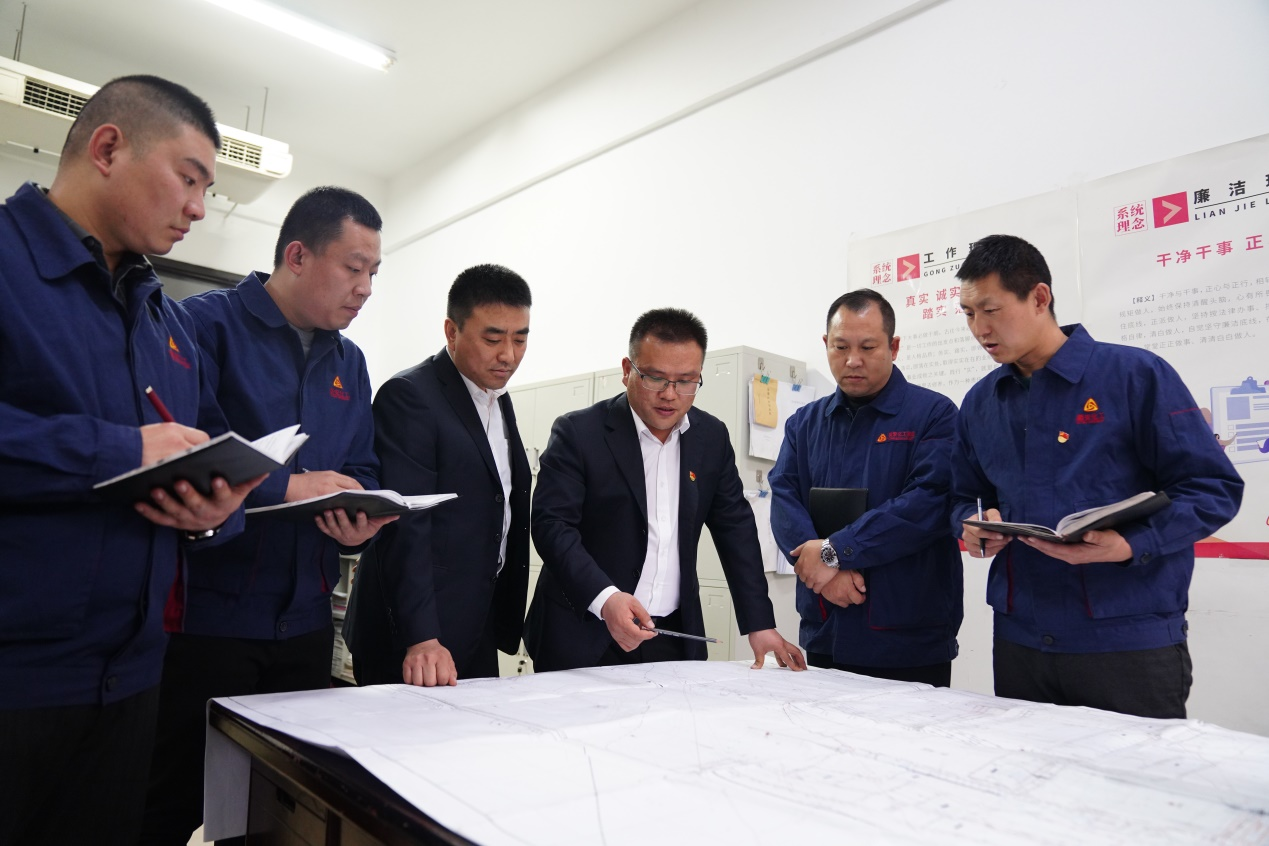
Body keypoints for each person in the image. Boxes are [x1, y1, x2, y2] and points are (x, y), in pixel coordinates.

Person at [0, 75, 261, 845]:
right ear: (109, 148)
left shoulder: (167, 326)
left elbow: (215, 458)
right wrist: (116, 451)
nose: (199, 208)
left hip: (134, 684)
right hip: (17, 686)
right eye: (189, 178)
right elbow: (131, 451)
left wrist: (217, 513)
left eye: (208, 190)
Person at [138, 187, 393, 843]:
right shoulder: (200, 325)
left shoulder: (350, 362)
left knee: (281, 811)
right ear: (298, 256)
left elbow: (361, 466)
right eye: (353, 268)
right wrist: (289, 487)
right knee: (169, 802)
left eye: (373, 272)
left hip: (305, 624)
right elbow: (184, 455)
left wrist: (359, 514)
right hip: (208, 619)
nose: (365, 288)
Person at [952, 234, 1244, 719]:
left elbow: (1212, 488)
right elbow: (964, 495)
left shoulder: (1135, 376)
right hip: (1021, 641)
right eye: (968, 314)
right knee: (1029, 768)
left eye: (991, 310)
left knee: (1140, 769)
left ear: (1039, 297)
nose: (979, 328)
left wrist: (1131, 544)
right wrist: (972, 525)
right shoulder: (982, 402)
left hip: (1126, 643)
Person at [524, 308, 806, 672]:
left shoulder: (711, 438)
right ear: (627, 370)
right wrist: (605, 599)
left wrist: (759, 622)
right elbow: (552, 526)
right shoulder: (579, 433)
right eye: (655, 378)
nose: (670, 395)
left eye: (686, 381)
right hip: (585, 632)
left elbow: (735, 528)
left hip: (671, 636)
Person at [344, 264, 533, 686]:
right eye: (493, 339)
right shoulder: (411, 396)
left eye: (520, 339)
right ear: (452, 331)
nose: (508, 354)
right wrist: (421, 637)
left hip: (475, 622)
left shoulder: (496, 399)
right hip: (414, 636)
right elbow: (404, 525)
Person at [769, 290, 963, 687]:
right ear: (826, 344)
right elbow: (785, 500)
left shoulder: (935, 414)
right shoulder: (804, 424)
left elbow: (927, 503)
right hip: (826, 628)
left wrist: (835, 552)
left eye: (868, 347)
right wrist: (827, 573)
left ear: (894, 346)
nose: (853, 360)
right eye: (841, 347)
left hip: (909, 637)